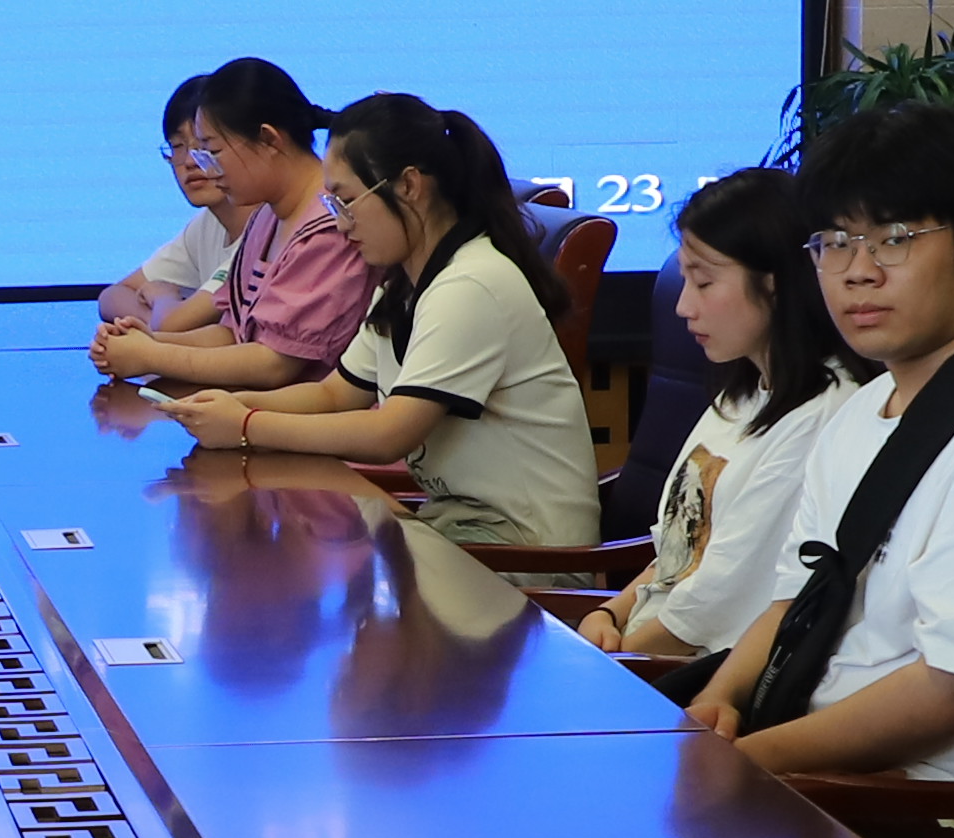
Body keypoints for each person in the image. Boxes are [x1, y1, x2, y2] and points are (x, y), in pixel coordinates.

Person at [670, 102, 954, 795]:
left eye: (895, 239)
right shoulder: (864, 405)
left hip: (938, 808)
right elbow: (795, 602)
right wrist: (719, 704)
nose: (858, 272)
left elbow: (951, 692)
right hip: (818, 767)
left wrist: (748, 761)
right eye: (835, 242)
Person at [162, 93, 604, 545]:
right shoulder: (404, 285)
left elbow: (388, 434)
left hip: (524, 548)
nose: (341, 225)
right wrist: (230, 404)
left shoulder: (470, 285)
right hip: (461, 525)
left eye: (346, 201)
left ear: (409, 186)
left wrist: (245, 426)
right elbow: (334, 395)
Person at [583, 166, 850, 655]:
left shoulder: (820, 417)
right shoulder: (743, 390)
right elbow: (678, 556)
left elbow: (711, 608)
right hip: (641, 647)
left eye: (703, 283)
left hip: (689, 669)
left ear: (774, 283)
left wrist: (614, 663)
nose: (683, 306)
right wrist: (609, 613)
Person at [92, 60, 366, 391]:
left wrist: (151, 356)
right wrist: (148, 339)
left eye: (212, 152)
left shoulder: (329, 225)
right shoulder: (266, 218)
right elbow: (231, 333)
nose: (207, 169)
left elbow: (274, 364)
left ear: (268, 139)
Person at [95, 102, 240, 333]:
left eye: (205, 145)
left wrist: (163, 300)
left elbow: (174, 323)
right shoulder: (207, 223)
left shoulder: (267, 231)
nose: (190, 161)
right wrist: (154, 324)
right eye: (178, 146)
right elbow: (113, 296)